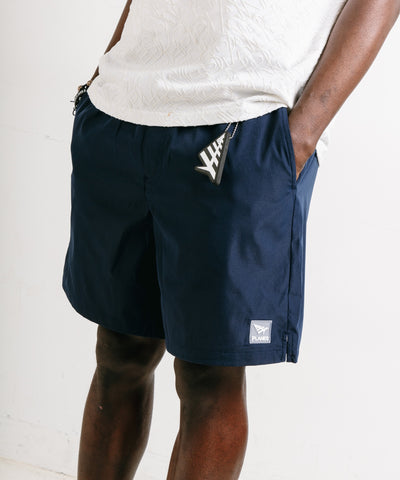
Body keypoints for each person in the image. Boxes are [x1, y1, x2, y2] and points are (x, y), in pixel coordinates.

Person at [61, 1, 400, 479]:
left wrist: (300, 137)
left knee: (209, 372)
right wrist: (106, 68)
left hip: (243, 121)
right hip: (124, 106)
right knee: (119, 350)